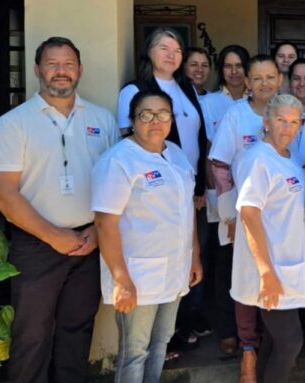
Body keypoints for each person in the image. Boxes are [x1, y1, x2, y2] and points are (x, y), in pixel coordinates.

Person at [0, 36, 119, 383]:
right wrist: (54, 236)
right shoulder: (13, 124)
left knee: (77, 332)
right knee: (32, 336)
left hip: (89, 242)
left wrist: (96, 232)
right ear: (36, 69)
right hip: (36, 247)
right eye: (53, 64)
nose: (61, 71)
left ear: (80, 70)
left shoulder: (102, 120)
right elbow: (1, 193)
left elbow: (116, 185)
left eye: (68, 64)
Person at [93, 89, 203, 382]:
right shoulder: (118, 160)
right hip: (137, 275)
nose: (156, 121)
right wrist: (121, 279)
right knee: (134, 351)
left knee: (160, 344)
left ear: (171, 119)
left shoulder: (176, 154)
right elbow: (105, 222)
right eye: (146, 115)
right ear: (132, 120)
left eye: (163, 114)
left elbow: (186, 210)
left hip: (175, 269)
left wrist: (194, 256)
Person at [117, 27, 208, 355]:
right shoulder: (135, 90)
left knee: (189, 260)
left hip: (188, 189)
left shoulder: (186, 88)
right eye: (164, 48)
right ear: (149, 52)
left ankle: (178, 328)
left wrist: (199, 186)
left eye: (177, 50)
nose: (172, 55)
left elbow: (198, 138)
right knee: (163, 261)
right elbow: (128, 140)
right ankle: (162, 341)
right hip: (155, 195)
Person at [209, 54, 282, 381]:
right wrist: (230, 215)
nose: (265, 84)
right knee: (244, 280)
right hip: (243, 216)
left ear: (280, 79)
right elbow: (220, 166)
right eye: (258, 78)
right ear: (248, 82)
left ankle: (269, 345)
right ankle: (248, 347)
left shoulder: (287, 112)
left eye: (271, 77)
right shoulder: (236, 115)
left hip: (280, 218)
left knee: (274, 276)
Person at [232, 94, 305, 383]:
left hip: (288, 262)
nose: (287, 128)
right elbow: (249, 213)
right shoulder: (258, 159)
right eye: (280, 120)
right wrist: (266, 272)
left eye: (294, 122)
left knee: (277, 341)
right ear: (266, 122)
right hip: (268, 267)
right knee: (290, 342)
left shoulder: (290, 157)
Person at [200, 44, 252, 358]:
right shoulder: (211, 103)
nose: (234, 72)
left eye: (239, 65)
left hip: (257, 202)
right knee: (224, 265)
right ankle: (227, 330)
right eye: (228, 66)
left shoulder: (261, 104)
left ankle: (251, 333)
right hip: (224, 196)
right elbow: (211, 154)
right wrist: (218, 200)